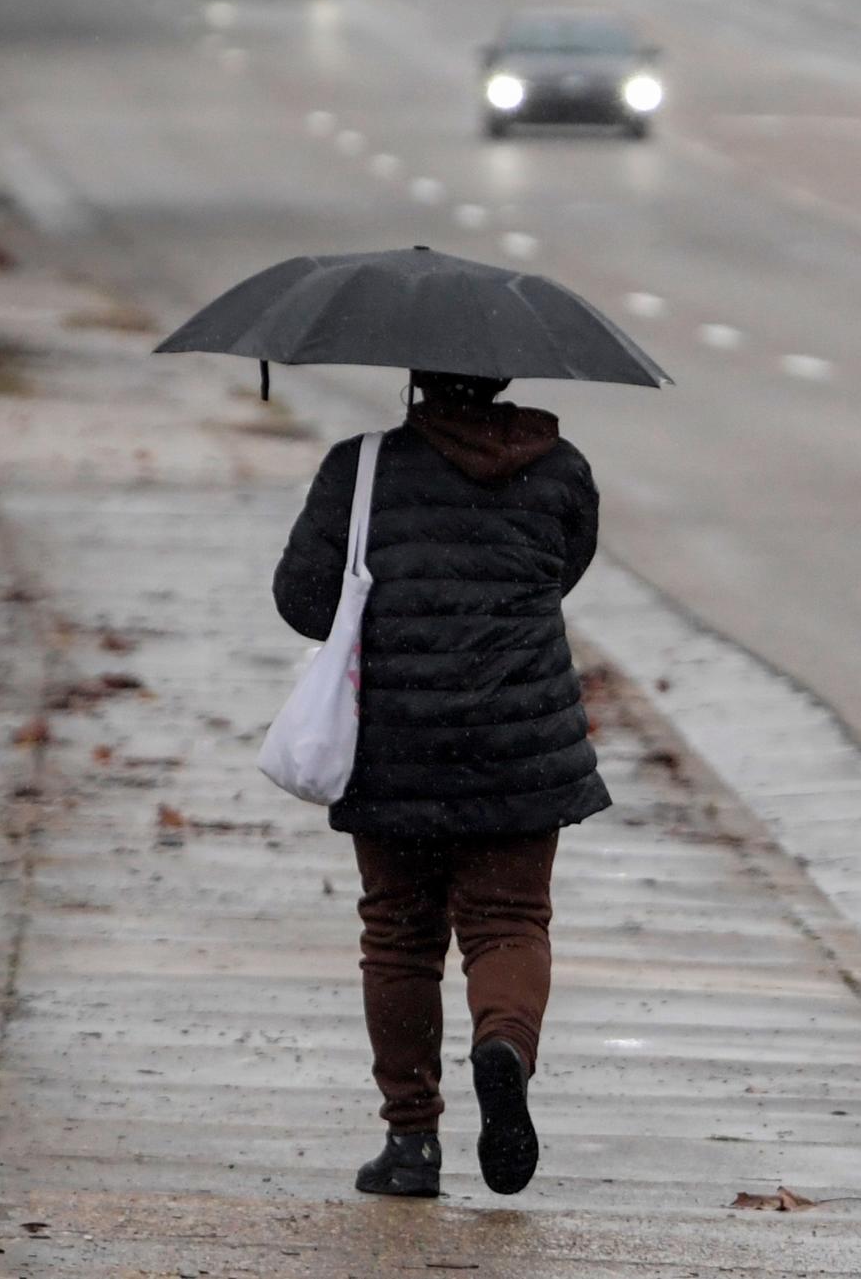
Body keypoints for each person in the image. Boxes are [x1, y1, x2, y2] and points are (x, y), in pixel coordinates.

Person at [272, 370, 609, 1198]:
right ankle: (504, 1048)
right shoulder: (560, 467)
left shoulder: (362, 467)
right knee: (508, 921)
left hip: (396, 741)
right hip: (521, 742)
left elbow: (302, 599)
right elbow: (562, 573)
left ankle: (411, 1140)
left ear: (415, 374)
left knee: (399, 935)